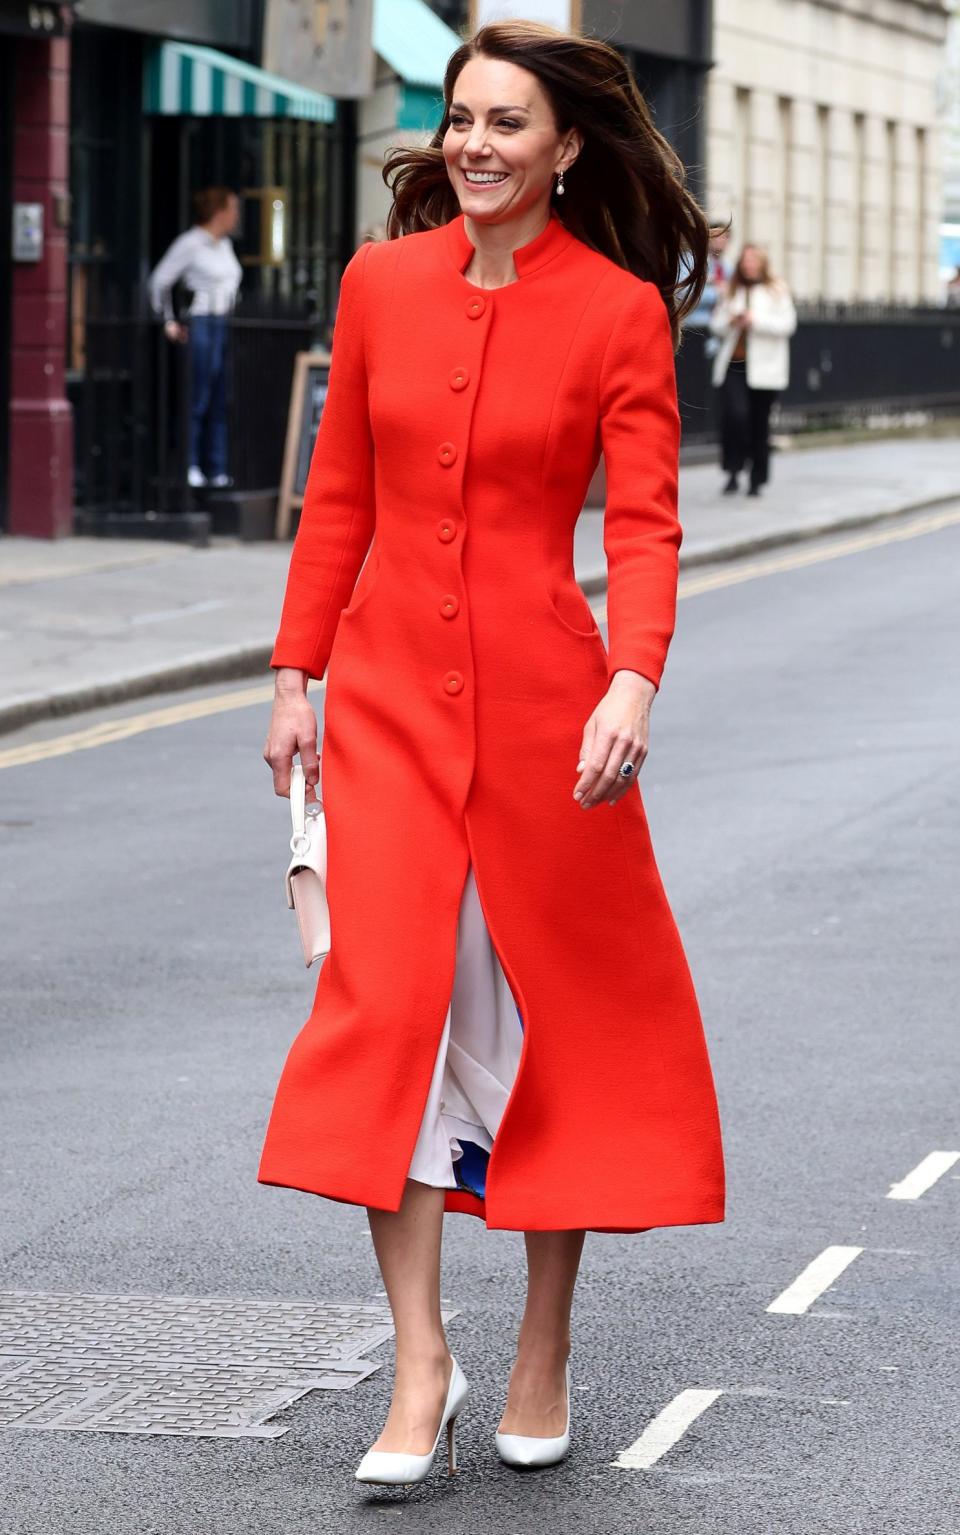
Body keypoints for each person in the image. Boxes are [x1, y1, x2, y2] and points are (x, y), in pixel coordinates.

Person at [259, 17, 725, 1491]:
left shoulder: (616, 310)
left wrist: (634, 678)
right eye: (460, 117)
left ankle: (541, 1343)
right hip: (389, 702)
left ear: (566, 145)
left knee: (546, 1034)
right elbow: (338, 495)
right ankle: (419, 1361)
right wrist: (296, 673)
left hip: (544, 711)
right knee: (385, 1015)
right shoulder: (382, 284)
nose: (472, 143)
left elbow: (643, 522)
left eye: (506, 123)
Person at [148, 187, 243, 489]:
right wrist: (168, 321)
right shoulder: (190, 243)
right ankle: (188, 465)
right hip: (201, 322)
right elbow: (159, 282)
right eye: (232, 209)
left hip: (224, 323)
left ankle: (216, 468)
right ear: (219, 212)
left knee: (220, 399)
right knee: (197, 397)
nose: (236, 216)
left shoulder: (224, 245)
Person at [709, 243, 797, 497]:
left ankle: (757, 479)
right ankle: (733, 471)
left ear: (762, 263)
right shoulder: (731, 290)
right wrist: (731, 321)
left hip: (765, 370)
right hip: (734, 366)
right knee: (735, 418)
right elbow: (716, 326)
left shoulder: (776, 290)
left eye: (753, 260)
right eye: (745, 260)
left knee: (759, 424)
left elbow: (787, 325)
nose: (749, 265)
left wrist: (755, 320)